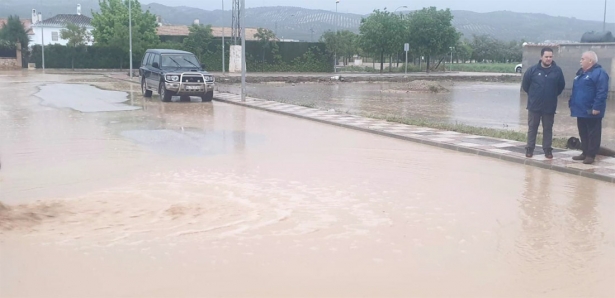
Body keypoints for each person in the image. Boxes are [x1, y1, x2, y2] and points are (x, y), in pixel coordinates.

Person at [521, 47, 566, 159]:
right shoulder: (532, 70)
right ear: (541, 57)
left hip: (549, 106)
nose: (548, 59)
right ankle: (529, 149)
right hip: (534, 105)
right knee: (532, 128)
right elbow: (525, 86)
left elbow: (561, 87)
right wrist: (534, 95)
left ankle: (547, 150)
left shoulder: (557, 71)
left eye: (550, 57)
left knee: (548, 128)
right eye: (546, 57)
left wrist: (550, 95)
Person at [569, 51, 610, 164]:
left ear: (590, 61)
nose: (580, 61)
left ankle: (591, 155)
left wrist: (597, 107)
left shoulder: (599, 73)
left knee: (593, 133)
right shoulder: (580, 73)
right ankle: (585, 152)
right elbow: (576, 90)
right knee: (583, 132)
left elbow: (602, 92)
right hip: (580, 110)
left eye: (583, 59)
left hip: (592, 110)